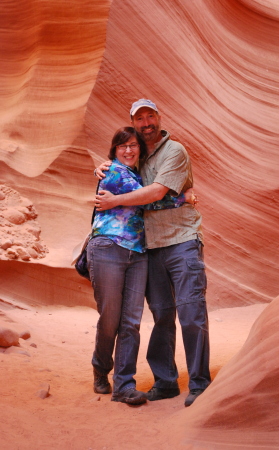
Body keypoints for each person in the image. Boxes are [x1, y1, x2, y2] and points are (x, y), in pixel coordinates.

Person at [95, 99, 211, 407]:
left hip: (181, 240)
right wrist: (105, 166)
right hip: (151, 248)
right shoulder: (138, 157)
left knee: (190, 311)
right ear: (133, 123)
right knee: (162, 315)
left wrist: (117, 200)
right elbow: (122, 176)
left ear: (158, 118)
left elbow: (156, 193)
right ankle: (166, 381)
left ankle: (199, 382)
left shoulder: (175, 151)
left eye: (150, 116)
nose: (146, 123)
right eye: (139, 119)